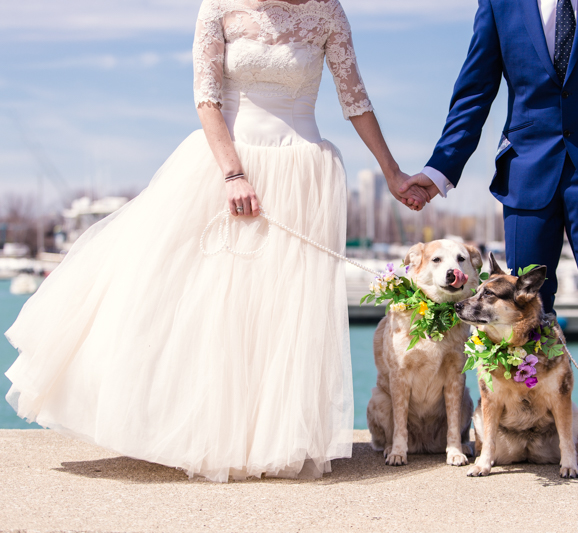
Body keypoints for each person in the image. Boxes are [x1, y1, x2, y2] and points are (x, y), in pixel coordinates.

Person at [4, 0, 425, 482]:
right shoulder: (219, 7)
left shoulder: (327, 11)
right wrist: (233, 174)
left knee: (283, 314)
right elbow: (206, 98)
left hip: (304, 174)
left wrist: (392, 173)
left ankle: (272, 440)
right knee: (209, 304)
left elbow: (355, 100)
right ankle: (199, 434)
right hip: (229, 166)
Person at [401, 0, 578, 471]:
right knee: (521, 311)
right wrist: (440, 171)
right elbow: (475, 87)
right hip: (527, 174)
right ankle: (526, 427)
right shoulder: (500, 4)